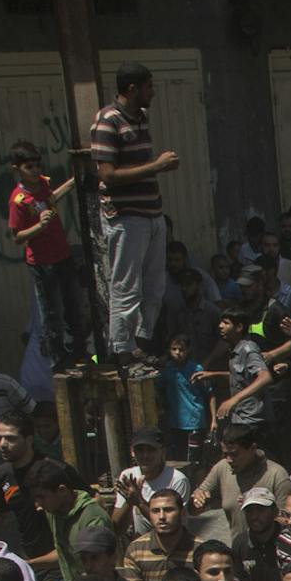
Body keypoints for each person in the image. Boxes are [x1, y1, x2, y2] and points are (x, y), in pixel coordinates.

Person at [91, 62, 179, 370]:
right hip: (127, 217)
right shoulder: (108, 122)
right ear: (132, 88)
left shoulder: (140, 119)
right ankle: (123, 352)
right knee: (126, 288)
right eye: (149, 87)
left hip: (151, 213)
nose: (152, 92)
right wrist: (156, 166)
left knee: (154, 286)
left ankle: (141, 343)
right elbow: (108, 174)